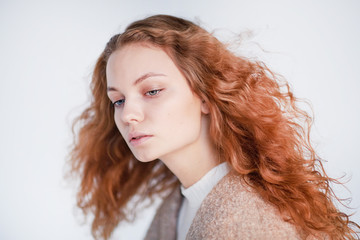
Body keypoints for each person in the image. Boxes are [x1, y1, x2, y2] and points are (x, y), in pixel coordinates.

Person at [69, 14, 360, 239]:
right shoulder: (178, 205)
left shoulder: (249, 221)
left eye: (152, 91)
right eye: (118, 100)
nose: (128, 115)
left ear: (206, 96)